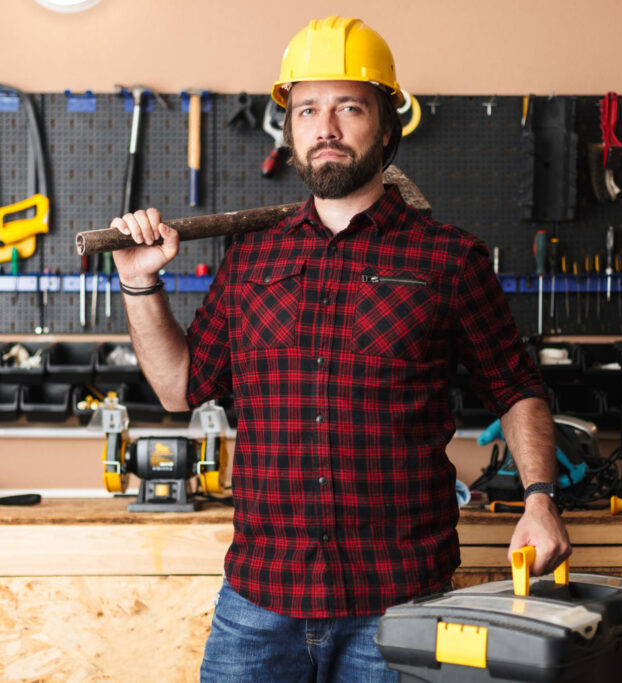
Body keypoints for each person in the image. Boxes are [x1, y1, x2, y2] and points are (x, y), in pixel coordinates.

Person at [109, 15, 570, 681]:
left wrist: (539, 497)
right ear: (290, 130)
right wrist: (138, 278)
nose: (325, 127)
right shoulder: (251, 259)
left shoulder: (449, 258)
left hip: (400, 600)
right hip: (259, 600)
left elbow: (517, 387)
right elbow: (180, 388)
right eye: (306, 110)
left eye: (349, 107)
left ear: (388, 124)